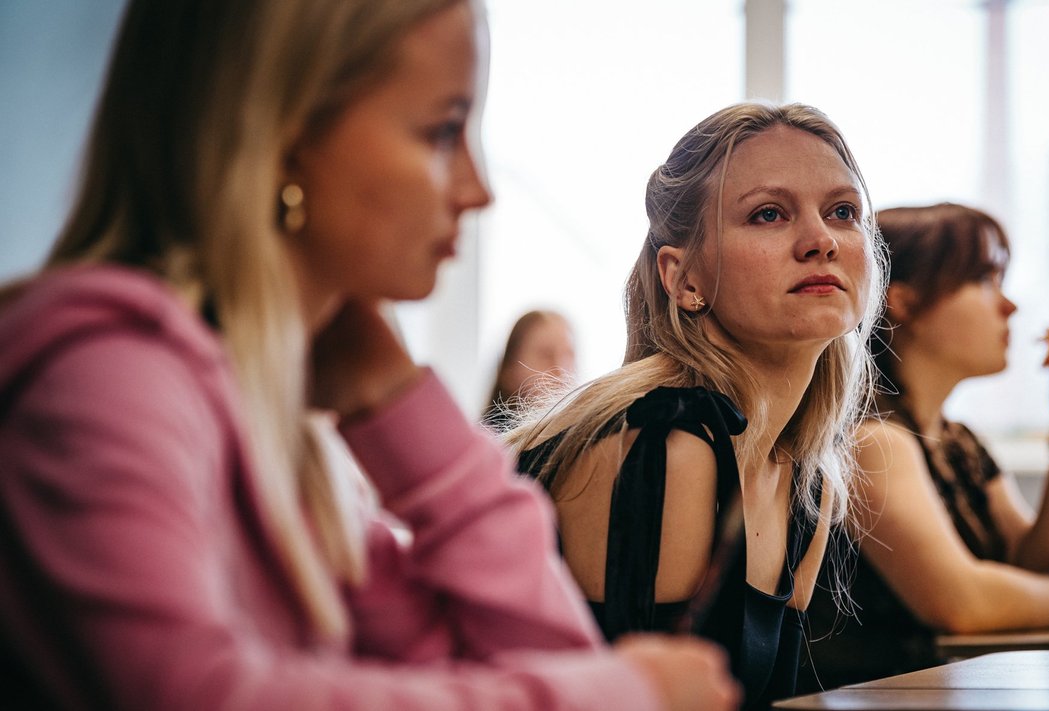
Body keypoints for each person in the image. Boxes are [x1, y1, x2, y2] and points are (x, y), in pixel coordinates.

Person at [0, 1, 741, 709]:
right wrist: (621, 693)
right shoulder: (110, 378)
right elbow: (194, 697)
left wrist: (397, 400)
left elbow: (533, 656)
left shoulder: (284, 427)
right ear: (282, 130)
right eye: (443, 131)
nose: (477, 190)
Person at [510, 101, 888, 709]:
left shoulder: (808, 478)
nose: (821, 240)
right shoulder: (670, 440)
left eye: (843, 212)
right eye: (769, 214)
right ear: (683, 277)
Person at [800, 203, 1049, 690]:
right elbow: (962, 603)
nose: (1008, 306)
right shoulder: (869, 435)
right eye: (985, 280)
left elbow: (1045, 561)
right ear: (903, 302)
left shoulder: (957, 441)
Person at [482, 309, 578, 432]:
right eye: (546, 355)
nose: (561, 370)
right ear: (510, 371)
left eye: (569, 355)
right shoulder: (489, 443)